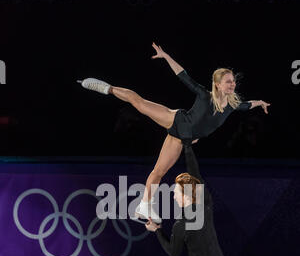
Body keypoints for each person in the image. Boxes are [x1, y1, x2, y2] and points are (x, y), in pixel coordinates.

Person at [77, 42, 270, 222]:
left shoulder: (233, 106)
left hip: (180, 137)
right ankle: (105, 88)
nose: (232, 84)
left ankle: (143, 206)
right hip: (176, 119)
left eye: (233, 82)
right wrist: (166, 56)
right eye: (228, 82)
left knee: (158, 171)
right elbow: (183, 75)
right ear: (217, 84)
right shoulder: (205, 95)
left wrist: (260, 102)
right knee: (139, 102)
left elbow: (248, 105)